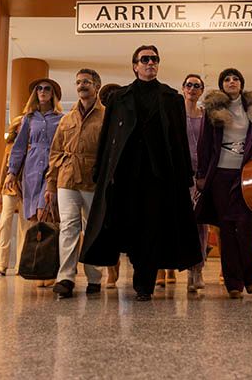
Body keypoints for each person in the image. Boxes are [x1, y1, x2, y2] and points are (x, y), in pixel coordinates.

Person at [81, 45, 203, 301]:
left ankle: (144, 284)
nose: (151, 63)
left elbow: (180, 139)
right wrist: (100, 169)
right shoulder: (119, 98)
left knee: (153, 228)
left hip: (159, 176)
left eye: (154, 59)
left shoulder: (172, 98)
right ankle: (138, 270)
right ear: (135, 65)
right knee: (129, 226)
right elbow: (108, 137)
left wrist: (185, 175)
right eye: (145, 59)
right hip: (126, 175)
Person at [195, 68, 252, 299]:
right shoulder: (213, 110)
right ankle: (233, 283)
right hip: (220, 174)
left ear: (241, 83)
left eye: (235, 78)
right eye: (226, 79)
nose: (231, 81)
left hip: (246, 175)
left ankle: (251, 276)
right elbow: (204, 144)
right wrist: (201, 174)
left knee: (246, 226)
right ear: (221, 85)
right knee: (226, 229)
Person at [45, 69, 106, 298]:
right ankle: (66, 277)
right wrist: (50, 184)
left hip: (93, 180)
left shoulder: (106, 117)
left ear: (97, 86)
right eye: (78, 82)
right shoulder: (67, 119)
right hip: (67, 178)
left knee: (93, 229)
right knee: (69, 227)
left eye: (86, 82)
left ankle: (94, 277)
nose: (81, 86)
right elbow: (55, 151)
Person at [4, 77, 64, 286]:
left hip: (52, 169)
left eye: (47, 89)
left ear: (53, 94)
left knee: (45, 212)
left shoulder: (61, 119)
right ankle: (39, 265)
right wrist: (11, 172)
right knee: (34, 219)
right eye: (39, 88)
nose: (43, 91)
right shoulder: (29, 119)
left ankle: (51, 270)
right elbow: (19, 147)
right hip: (31, 171)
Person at [182, 73, 208, 292]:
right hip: (180, 176)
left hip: (201, 177)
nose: (192, 88)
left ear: (201, 91)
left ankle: (197, 270)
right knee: (182, 224)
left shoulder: (206, 116)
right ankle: (183, 267)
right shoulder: (174, 114)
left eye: (196, 86)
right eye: (189, 85)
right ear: (183, 89)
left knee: (200, 223)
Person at [97, 82, 122, 289]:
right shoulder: (98, 118)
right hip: (103, 177)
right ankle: (110, 270)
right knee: (105, 225)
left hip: (124, 177)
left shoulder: (126, 116)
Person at [0, 115, 25, 276]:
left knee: (25, 227)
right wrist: (0, 190)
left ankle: (21, 265)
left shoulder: (32, 145)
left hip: (27, 189)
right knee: (5, 224)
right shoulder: (10, 146)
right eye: (21, 124)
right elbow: (3, 170)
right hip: (10, 188)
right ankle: (1, 263)